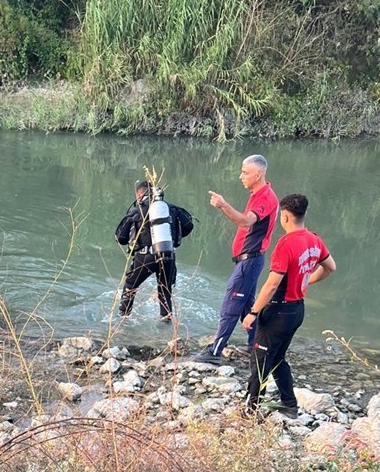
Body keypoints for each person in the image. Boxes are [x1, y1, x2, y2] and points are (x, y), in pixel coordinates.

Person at [242, 192, 336, 419]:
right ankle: (289, 405)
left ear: (284, 216)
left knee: (260, 360)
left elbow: (272, 284)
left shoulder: (286, 244)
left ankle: (250, 411)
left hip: (278, 311)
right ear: (304, 214)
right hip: (296, 310)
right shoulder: (314, 240)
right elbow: (330, 267)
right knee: (277, 358)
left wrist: (253, 312)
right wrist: (307, 280)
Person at [200, 154, 279, 364]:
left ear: (258, 174)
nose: (240, 176)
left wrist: (223, 205)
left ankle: (215, 352)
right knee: (247, 306)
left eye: (245, 172)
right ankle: (255, 347)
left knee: (231, 303)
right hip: (250, 260)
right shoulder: (258, 194)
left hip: (250, 260)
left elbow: (245, 222)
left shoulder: (266, 197)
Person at [115, 179, 194, 322]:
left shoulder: (137, 211)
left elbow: (120, 237)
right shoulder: (171, 208)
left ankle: (122, 321)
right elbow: (188, 225)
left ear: (140, 195)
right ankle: (166, 323)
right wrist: (172, 236)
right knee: (165, 291)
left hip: (146, 257)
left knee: (130, 287)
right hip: (168, 254)